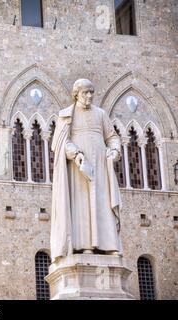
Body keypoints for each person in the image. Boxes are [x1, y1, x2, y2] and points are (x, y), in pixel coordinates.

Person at [50, 79, 122, 262]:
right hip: (78, 168)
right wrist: (75, 154)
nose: (89, 96)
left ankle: (109, 246)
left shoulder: (101, 114)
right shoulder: (67, 115)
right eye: (85, 93)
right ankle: (84, 246)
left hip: (100, 166)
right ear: (76, 94)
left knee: (103, 204)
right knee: (81, 205)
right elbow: (59, 143)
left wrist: (114, 150)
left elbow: (112, 137)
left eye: (91, 92)